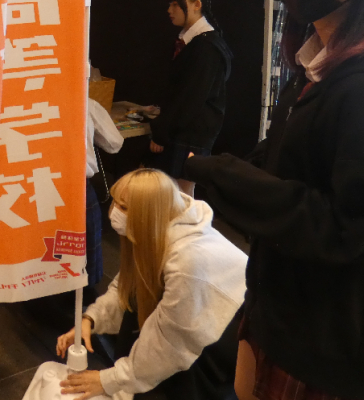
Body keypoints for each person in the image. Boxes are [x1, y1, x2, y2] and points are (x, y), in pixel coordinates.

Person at [162, 0, 364, 400]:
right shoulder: (316, 68)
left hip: (329, 338)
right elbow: (282, 161)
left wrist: (227, 177)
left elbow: (354, 227)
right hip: (283, 304)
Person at [56, 168, 246, 400]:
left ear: (147, 213)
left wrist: (108, 380)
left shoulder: (187, 263)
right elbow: (128, 286)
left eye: (124, 207)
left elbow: (168, 345)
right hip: (196, 309)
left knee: (182, 383)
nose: (114, 212)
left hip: (227, 328)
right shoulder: (160, 226)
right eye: (115, 202)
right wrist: (92, 318)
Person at [148, 0, 232, 185]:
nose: (170, 10)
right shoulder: (196, 42)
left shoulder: (206, 47)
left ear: (197, 5)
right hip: (185, 131)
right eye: (170, 4)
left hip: (190, 134)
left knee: (180, 194)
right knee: (177, 193)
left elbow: (189, 98)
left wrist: (161, 133)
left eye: (176, 4)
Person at [84, 97, 123, 301]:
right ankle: (86, 295)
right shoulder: (85, 102)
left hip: (30, 186)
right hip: (77, 188)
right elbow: (114, 143)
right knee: (84, 248)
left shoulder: (12, 103)